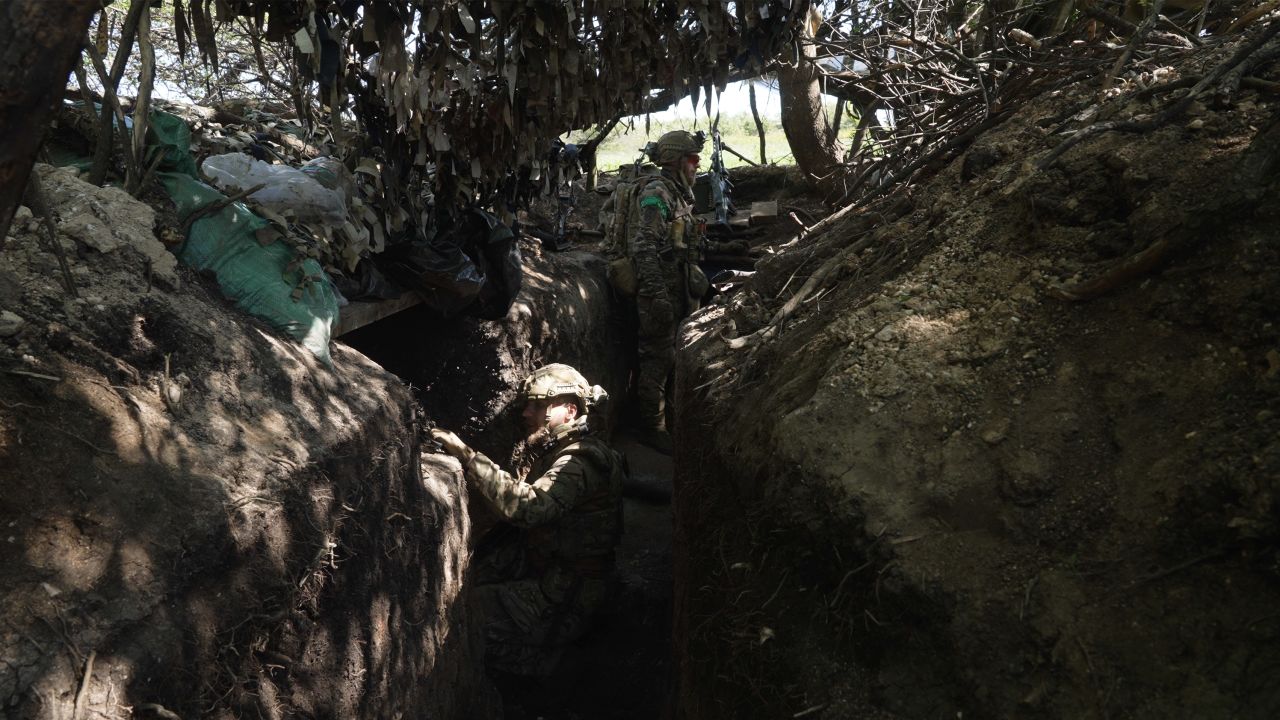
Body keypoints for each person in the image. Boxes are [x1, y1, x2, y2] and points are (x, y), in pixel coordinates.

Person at [430, 363, 624, 676]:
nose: (526, 413)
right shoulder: (560, 450)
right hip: (553, 569)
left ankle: (559, 668)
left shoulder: (579, 461)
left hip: (568, 594)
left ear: (570, 411)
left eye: (538, 406)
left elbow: (529, 507)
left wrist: (467, 456)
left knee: (468, 616)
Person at [625, 129, 710, 454]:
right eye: (692, 160)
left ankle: (670, 419)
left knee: (671, 357)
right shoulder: (658, 193)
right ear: (675, 162)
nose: (696, 165)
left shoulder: (680, 194)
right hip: (659, 291)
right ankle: (652, 427)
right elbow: (643, 246)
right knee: (656, 358)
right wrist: (657, 295)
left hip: (677, 289)